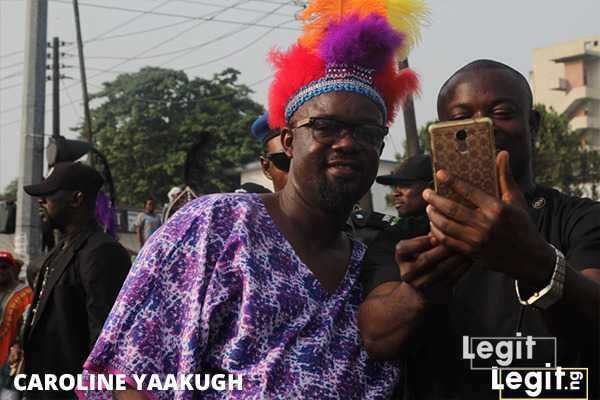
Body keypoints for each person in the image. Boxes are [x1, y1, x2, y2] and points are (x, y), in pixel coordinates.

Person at [80, 1, 425, 398]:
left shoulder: (370, 266)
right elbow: (130, 377)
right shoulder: (216, 226)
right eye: (326, 126)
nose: (347, 143)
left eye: (366, 132)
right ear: (291, 141)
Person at [358, 59, 600, 399]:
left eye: (501, 112)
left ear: (533, 124)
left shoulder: (583, 218)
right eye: (461, 120)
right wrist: (418, 291)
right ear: (440, 131)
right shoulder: (405, 236)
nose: (485, 126)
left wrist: (536, 262)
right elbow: (376, 338)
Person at [19, 162, 131, 399]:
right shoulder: (60, 250)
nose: (41, 201)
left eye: (48, 195)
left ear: (76, 198)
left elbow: (104, 340)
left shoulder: (102, 252)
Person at [0, 251, 31, 394]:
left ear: (13, 269)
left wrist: (19, 345)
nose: (0, 270)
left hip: (10, 362)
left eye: (4, 266)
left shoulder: (26, 294)